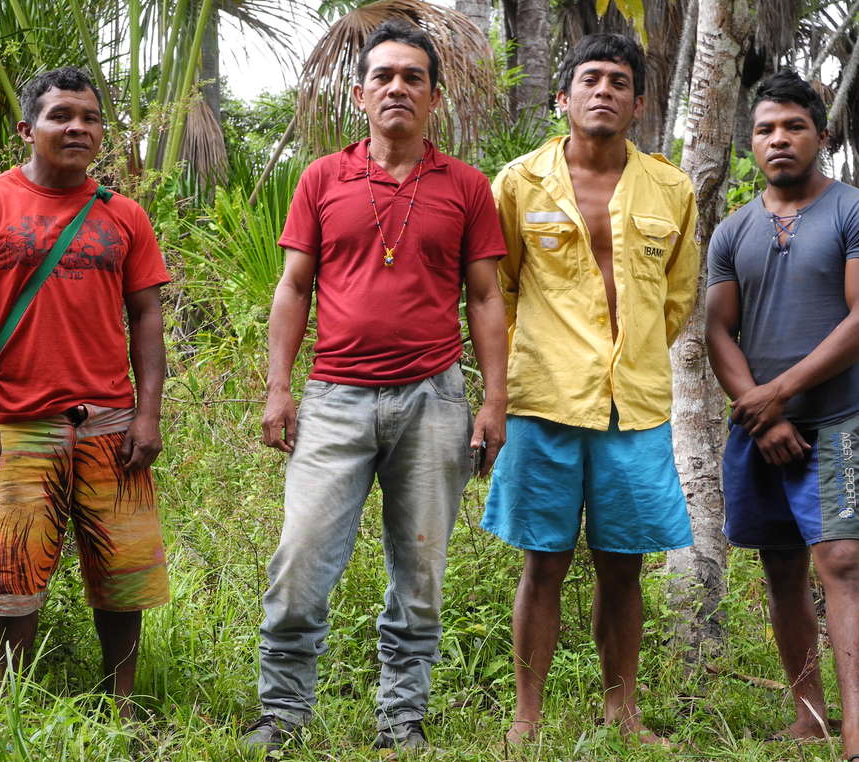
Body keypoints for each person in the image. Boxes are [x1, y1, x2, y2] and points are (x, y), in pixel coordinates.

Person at [243, 20, 508, 752]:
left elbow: (485, 298)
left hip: (433, 400)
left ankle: (402, 721)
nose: (397, 87)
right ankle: (284, 714)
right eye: (383, 76)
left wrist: (493, 399)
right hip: (334, 400)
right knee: (300, 562)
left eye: (413, 77)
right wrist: (278, 388)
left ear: (434, 97)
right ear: (360, 94)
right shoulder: (322, 178)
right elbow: (293, 287)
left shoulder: (466, 187)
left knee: (420, 572)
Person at [480, 33, 698, 747]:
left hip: (632, 407)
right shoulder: (517, 182)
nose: (604, 90)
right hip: (543, 400)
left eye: (619, 81)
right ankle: (526, 718)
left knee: (623, 565)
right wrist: (513, 381)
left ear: (639, 102)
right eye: (591, 78)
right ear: (562, 97)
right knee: (542, 562)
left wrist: (628, 358)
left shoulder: (671, 188)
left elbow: (676, 299)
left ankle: (622, 713)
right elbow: (496, 292)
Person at [0, 67, 169, 719]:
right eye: (62, 115)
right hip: (13, 424)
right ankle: (10, 712)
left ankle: (120, 708)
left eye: (90, 118)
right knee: (9, 580)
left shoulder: (123, 215)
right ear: (27, 129)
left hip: (110, 425)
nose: (78, 128)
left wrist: (146, 416)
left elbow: (147, 315)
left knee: (123, 578)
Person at [705, 69, 859, 762]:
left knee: (841, 561)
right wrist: (759, 413)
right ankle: (807, 713)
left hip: (836, 423)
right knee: (781, 568)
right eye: (764, 129)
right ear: (749, 144)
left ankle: (856, 729)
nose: (778, 139)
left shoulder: (857, 214)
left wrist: (777, 393)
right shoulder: (732, 231)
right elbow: (717, 331)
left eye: (792, 126)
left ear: (822, 134)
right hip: (760, 431)